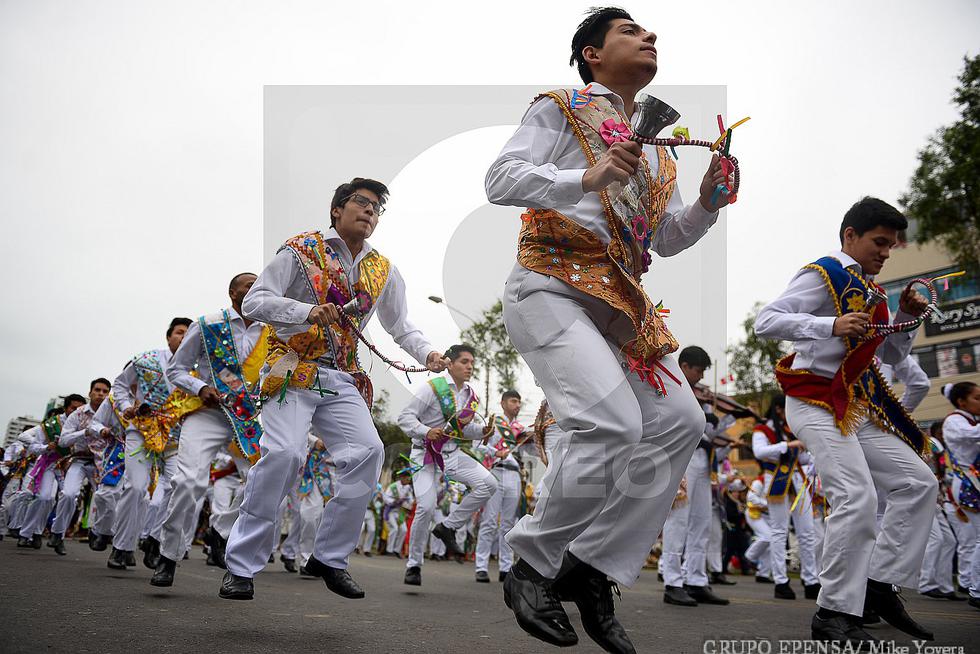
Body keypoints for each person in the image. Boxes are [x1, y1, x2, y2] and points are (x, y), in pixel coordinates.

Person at [485, 7, 732, 651]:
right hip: (550, 286)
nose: (648, 38)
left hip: (619, 302)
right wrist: (582, 176)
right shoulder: (561, 107)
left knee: (681, 419)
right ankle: (530, 564)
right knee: (613, 424)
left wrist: (707, 201)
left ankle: (591, 567)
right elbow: (500, 179)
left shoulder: (659, 149)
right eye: (630, 31)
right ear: (593, 54)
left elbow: (665, 238)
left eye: (652, 35)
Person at [220, 177, 449, 601]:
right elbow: (255, 302)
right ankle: (241, 565)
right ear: (336, 210)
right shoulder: (301, 249)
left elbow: (401, 327)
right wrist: (307, 311)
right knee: (285, 454)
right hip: (290, 368)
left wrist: (429, 355)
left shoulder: (382, 270)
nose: (370, 211)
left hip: (340, 376)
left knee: (368, 451)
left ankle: (329, 558)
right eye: (362, 202)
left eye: (378, 208)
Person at [755, 196, 936, 644]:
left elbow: (892, 354)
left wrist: (907, 317)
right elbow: (766, 321)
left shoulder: (872, 291)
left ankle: (876, 585)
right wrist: (829, 326)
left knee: (919, 483)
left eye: (892, 246)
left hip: (854, 406)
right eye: (880, 242)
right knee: (856, 496)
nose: (886, 252)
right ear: (849, 236)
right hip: (815, 401)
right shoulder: (823, 274)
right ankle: (833, 613)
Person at [150, 273, 267, 587]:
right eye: (249, 284)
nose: (256, 287)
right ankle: (168, 556)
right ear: (233, 292)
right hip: (208, 414)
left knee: (268, 477)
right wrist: (200, 386)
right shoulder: (207, 324)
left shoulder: (272, 332)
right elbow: (176, 369)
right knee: (188, 482)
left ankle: (222, 528)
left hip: (246, 419)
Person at [397, 344, 496, 586]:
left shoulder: (471, 397)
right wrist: (426, 430)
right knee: (427, 506)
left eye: (472, 362)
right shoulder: (433, 388)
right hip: (424, 455)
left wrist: (482, 431)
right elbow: (405, 418)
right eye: (464, 361)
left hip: (450, 453)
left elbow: (463, 431)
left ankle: (448, 527)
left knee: (489, 484)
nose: (469, 366)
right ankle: (414, 565)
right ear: (449, 364)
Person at [107, 317, 191, 569]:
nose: (183, 337)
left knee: (179, 486)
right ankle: (122, 547)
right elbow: (120, 385)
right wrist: (125, 407)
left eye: (189, 334)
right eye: (179, 332)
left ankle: (154, 539)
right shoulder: (146, 361)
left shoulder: (198, 369)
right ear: (168, 337)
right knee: (136, 487)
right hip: (141, 432)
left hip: (176, 438)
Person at [661, 346, 733, 607]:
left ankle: (697, 579)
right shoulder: (670, 386)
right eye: (698, 370)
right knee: (678, 521)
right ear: (684, 366)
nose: (701, 376)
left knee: (701, 522)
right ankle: (672, 581)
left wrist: (716, 425)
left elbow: (707, 435)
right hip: (681, 459)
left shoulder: (698, 396)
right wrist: (704, 420)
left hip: (703, 463)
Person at [751, 394, 820, 601]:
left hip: (797, 481)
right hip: (776, 480)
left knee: (807, 532)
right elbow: (759, 451)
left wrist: (810, 450)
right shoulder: (762, 429)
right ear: (779, 409)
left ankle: (811, 580)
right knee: (779, 532)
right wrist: (787, 446)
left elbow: (802, 458)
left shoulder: (791, 430)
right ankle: (781, 581)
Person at [47, 378, 112, 555]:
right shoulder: (79, 413)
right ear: (90, 392)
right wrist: (85, 431)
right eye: (97, 390)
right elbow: (64, 440)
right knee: (68, 494)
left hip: (103, 463)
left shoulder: (113, 413)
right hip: (79, 460)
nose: (101, 394)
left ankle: (97, 532)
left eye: (105, 391)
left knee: (106, 498)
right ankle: (57, 533)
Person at [16, 396, 87, 548]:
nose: (76, 412)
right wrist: (45, 447)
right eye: (73, 408)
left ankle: (52, 534)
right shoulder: (52, 424)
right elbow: (23, 436)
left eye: (80, 409)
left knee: (68, 499)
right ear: (66, 408)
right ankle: (26, 533)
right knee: (43, 498)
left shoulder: (83, 424)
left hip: (68, 467)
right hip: (49, 465)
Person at [475, 390, 526, 583]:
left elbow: (529, 448)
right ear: (503, 403)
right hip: (496, 472)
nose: (517, 405)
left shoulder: (521, 428)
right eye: (513, 401)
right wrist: (495, 453)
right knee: (489, 520)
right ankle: (481, 566)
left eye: (519, 402)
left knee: (508, 523)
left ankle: (506, 568)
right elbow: (478, 445)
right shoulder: (494, 424)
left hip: (514, 475)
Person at [940, 381, 980, 610]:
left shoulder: (972, 420)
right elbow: (972, 435)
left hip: (974, 484)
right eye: (977, 398)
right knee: (973, 540)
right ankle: (974, 588)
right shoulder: (955, 421)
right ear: (961, 401)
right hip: (965, 485)